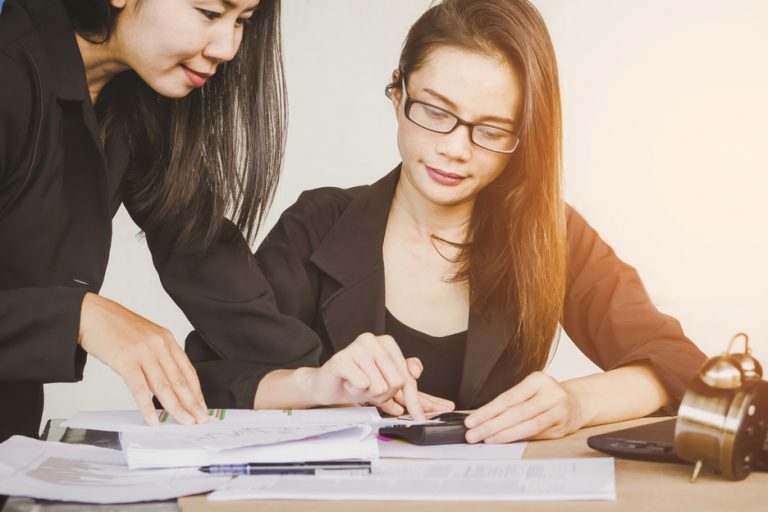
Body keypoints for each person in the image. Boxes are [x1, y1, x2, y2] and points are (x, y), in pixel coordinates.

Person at [188, 0, 707, 442]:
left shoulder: (550, 233)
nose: (454, 149)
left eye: (491, 130)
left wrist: (576, 403)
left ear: (523, 139)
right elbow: (211, 373)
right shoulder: (317, 225)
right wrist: (313, 383)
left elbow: (680, 363)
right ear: (398, 95)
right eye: (435, 111)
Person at [0, 0, 322, 442]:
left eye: (242, 21)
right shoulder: (10, 69)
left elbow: (208, 262)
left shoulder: (135, 96)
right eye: (210, 12)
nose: (228, 47)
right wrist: (80, 317)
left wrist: (322, 382)